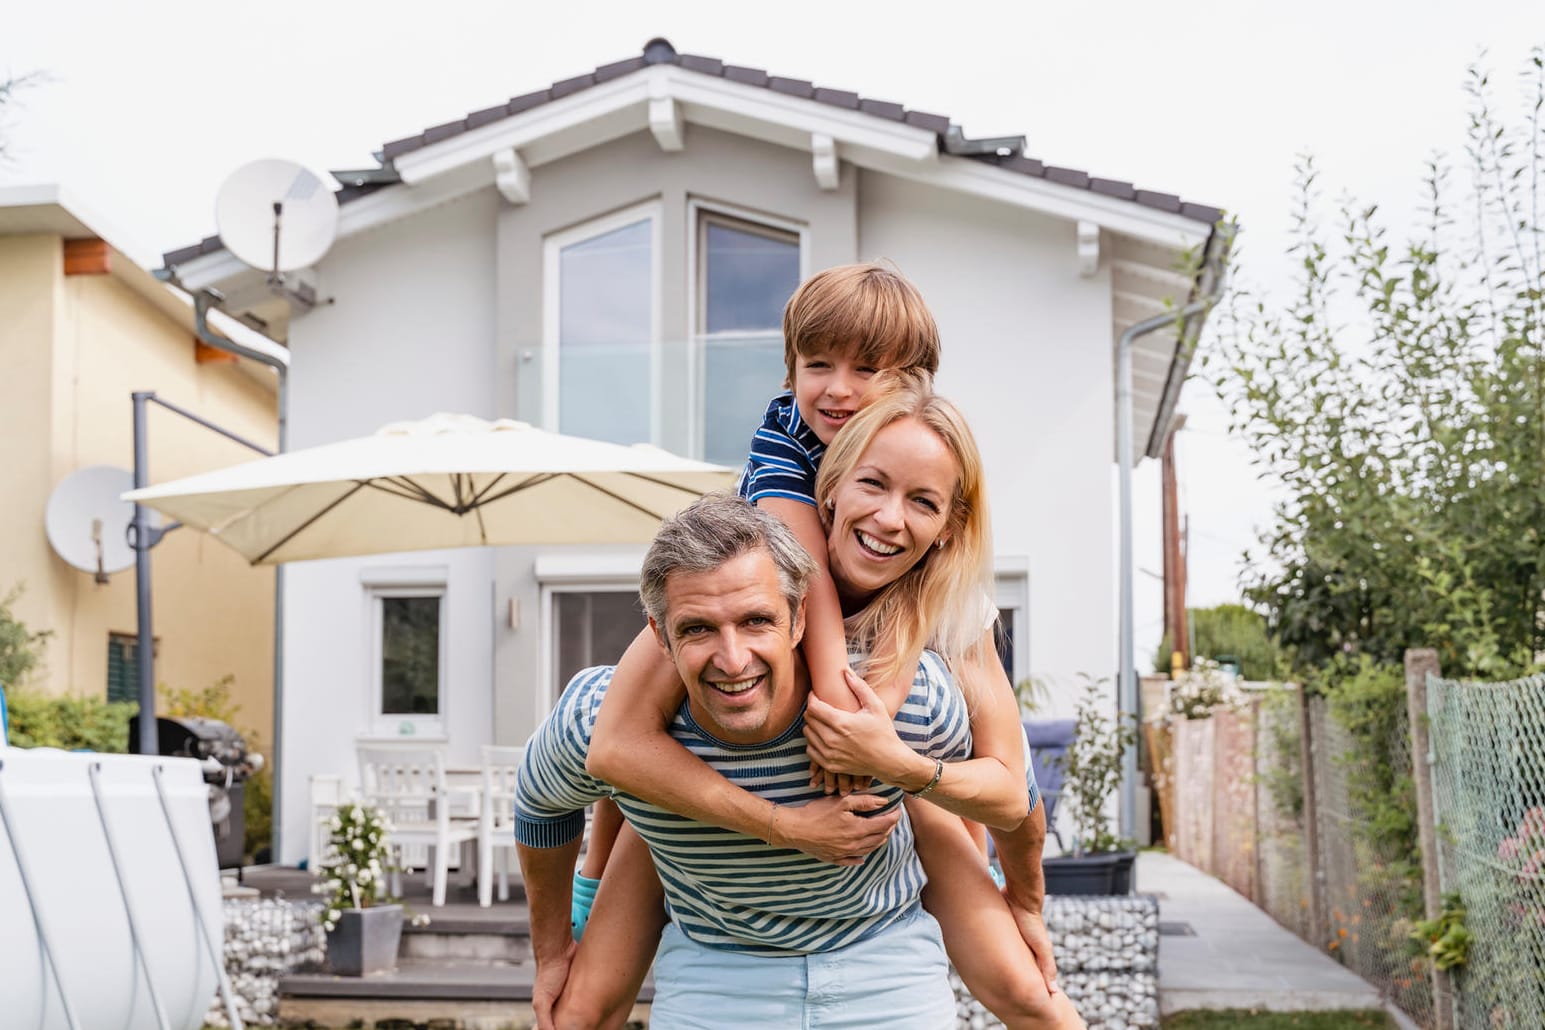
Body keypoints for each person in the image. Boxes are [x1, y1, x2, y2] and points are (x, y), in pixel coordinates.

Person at [549, 380, 1085, 1028]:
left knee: (1031, 996)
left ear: (949, 525)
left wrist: (1022, 899)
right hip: (708, 852)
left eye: (921, 500)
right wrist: (583, 891)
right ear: (826, 491)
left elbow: (1010, 791)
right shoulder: (744, 589)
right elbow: (617, 748)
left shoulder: (947, 609)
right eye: (873, 485)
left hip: (896, 830)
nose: (890, 518)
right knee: (582, 998)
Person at [516, 493, 978, 1028]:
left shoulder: (903, 702)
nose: (733, 660)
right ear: (659, 635)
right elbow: (539, 806)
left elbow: (993, 791)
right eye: (697, 629)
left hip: (885, 968)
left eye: (756, 620)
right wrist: (551, 952)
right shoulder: (595, 717)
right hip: (715, 979)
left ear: (800, 618)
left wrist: (1017, 898)